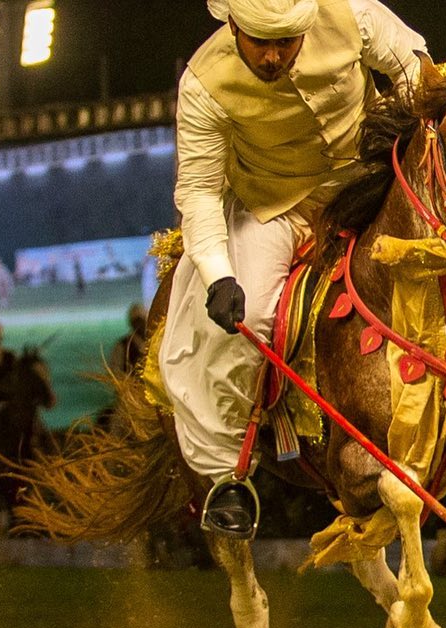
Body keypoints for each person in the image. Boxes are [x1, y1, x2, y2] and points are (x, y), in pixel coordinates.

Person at [159, 0, 426, 538]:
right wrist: (217, 274)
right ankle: (228, 475)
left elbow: (415, 68)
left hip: (369, 186)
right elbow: (200, 192)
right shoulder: (202, 83)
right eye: (261, 41)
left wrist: (401, 120)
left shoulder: (356, 14)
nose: (275, 55)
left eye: (289, 41)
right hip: (276, 208)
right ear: (231, 23)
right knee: (250, 318)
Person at [109, 303, 148, 377]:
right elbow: (115, 371)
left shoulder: (153, 343)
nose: (140, 325)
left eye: (142, 321)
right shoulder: (122, 346)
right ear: (132, 323)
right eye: (137, 321)